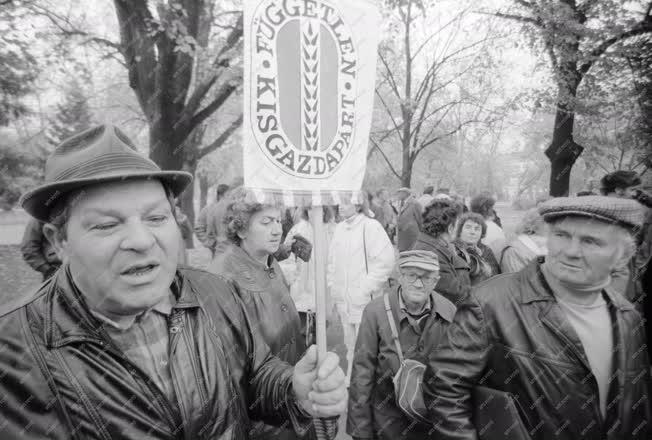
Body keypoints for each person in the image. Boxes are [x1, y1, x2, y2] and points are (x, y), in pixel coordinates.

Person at [1, 125, 347, 439]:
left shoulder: (214, 294)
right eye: (107, 225)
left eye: (156, 217)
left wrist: (293, 391)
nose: (141, 239)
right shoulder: (13, 352)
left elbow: (256, 377)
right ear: (58, 240)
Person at [422, 195, 651, 440]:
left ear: (621, 256)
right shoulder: (491, 302)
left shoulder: (628, 318)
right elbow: (444, 390)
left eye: (590, 241)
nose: (571, 251)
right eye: (562, 235)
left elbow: (636, 407)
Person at [209, 188, 311, 440]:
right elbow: (230, 373)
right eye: (266, 222)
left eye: (278, 220)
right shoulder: (222, 278)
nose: (277, 229)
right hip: (261, 421)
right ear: (241, 229)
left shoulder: (267, 259)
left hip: (290, 400)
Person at [347, 250, 456, 440]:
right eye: (412, 275)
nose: (418, 283)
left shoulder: (449, 312)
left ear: (436, 281)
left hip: (432, 426)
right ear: (400, 276)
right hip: (388, 426)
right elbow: (362, 374)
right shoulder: (375, 312)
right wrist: (361, 432)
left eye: (426, 277)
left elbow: (456, 373)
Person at [328, 195, 395, 382]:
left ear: (358, 204)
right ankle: (352, 377)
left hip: (365, 299)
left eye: (346, 202)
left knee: (367, 344)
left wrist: (365, 288)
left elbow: (385, 261)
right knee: (349, 342)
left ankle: (366, 382)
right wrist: (334, 286)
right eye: (339, 202)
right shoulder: (339, 228)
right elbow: (332, 261)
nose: (341, 206)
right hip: (344, 298)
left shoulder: (371, 226)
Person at [413, 199, 471, 303]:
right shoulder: (435, 255)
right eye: (458, 224)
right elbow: (459, 294)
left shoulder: (427, 243)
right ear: (450, 228)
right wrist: (460, 263)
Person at [453, 212, 500, 285]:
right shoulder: (453, 250)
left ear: (482, 233)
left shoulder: (486, 250)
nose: (472, 232)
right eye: (468, 227)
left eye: (477, 229)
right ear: (460, 231)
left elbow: (496, 277)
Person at [500, 208, 547, 273]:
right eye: (550, 223)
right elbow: (516, 281)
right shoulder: (514, 252)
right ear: (533, 227)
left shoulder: (549, 247)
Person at [194, 183, 230, 256]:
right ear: (220, 195)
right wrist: (210, 243)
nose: (230, 197)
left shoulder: (233, 209)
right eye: (228, 195)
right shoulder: (208, 209)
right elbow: (198, 228)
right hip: (217, 248)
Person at [396, 187, 423, 252]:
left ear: (405, 194)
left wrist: (421, 233)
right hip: (403, 235)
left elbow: (420, 219)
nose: (398, 195)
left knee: (411, 255)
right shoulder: (400, 203)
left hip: (411, 236)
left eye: (399, 193)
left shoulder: (415, 203)